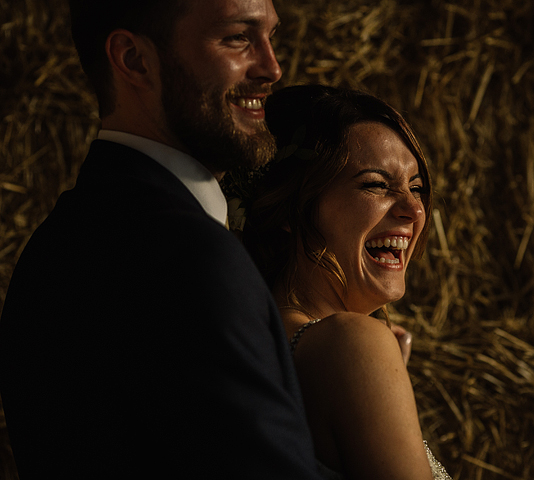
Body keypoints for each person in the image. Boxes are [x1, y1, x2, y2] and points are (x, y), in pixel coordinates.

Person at [0, 1, 322, 478]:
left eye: (272, 37)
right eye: (238, 37)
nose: (272, 68)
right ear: (133, 60)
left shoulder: (54, 245)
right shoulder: (194, 258)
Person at [225, 84, 452, 479]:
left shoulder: (251, 346)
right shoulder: (353, 343)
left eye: (416, 187)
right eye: (377, 184)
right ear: (291, 207)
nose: (414, 209)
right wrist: (369, 358)